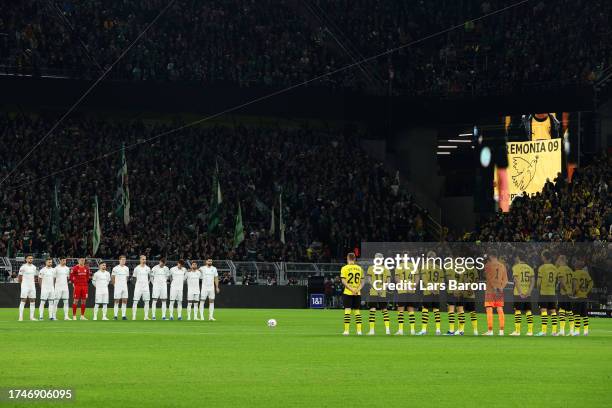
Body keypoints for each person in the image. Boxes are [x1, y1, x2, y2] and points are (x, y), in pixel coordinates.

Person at [417, 251, 444, 336]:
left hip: (428, 292)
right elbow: (442, 280)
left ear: (427, 258)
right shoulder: (439, 268)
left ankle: (424, 330)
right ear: (435, 258)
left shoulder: (425, 267)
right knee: (436, 311)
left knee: (425, 310)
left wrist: (431, 289)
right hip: (436, 292)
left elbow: (424, 280)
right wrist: (437, 288)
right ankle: (438, 330)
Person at [483, 250, 508, 336]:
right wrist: (501, 288)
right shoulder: (502, 266)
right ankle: (501, 331)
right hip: (499, 290)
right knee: (500, 309)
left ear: (490, 256)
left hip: (490, 290)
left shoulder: (488, 265)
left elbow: (489, 278)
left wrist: (494, 287)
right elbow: (506, 280)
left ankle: (490, 331)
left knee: (489, 309)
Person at [510, 254, 535, 336]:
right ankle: (530, 331)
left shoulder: (516, 267)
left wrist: (520, 292)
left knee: (517, 311)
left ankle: (517, 331)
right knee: (528, 311)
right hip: (527, 293)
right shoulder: (530, 268)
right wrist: (529, 292)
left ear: (518, 258)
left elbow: (515, 280)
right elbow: (533, 281)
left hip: (518, 293)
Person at [366, 253, 391, 335]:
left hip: (373, 291)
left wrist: (376, 288)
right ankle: (387, 330)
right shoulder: (386, 269)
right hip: (382, 292)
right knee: (384, 310)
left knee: (372, 310)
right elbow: (388, 282)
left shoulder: (371, 268)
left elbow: (369, 280)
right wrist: (382, 288)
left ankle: (372, 330)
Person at [536, 250, 559, 336]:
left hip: (544, 292)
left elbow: (538, 283)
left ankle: (544, 331)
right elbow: (556, 280)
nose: (541, 257)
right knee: (553, 311)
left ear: (545, 257)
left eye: (542, 256)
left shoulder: (542, 267)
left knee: (544, 311)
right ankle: (554, 332)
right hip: (552, 293)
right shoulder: (555, 268)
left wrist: (539, 289)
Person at [340, 252, 364, 336]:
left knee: (347, 311)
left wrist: (351, 289)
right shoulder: (360, 268)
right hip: (357, 293)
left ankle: (346, 331)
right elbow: (362, 282)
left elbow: (343, 281)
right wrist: (357, 290)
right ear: (355, 259)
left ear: (347, 258)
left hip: (348, 292)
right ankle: (359, 331)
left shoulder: (344, 268)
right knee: (357, 311)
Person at [394, 257, 419, 335]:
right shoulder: (413, 266)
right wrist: (414, 286)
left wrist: (402, 286)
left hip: (402, 290)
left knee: (400, 310)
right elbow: (417, 277)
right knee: (411, 310)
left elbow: (397, 278)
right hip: (411, 290)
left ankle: (400, 330)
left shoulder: (399, 266)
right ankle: (412, 330)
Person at [571, 258, 593, 336]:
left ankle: (577, 331)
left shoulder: (575, 273)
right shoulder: (585, 273)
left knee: (576, 314)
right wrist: (587, 291)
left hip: (577, 297)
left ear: (576, 266)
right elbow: (591, 283)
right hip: (584, 296)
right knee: (584, 315)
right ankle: (586, 331)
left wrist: (573, 294)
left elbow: (575, 284)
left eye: (575, 264)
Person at [556, 255, 574, 336]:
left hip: (563, 293)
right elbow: (573, 282)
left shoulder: (560, 269)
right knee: (570, 311)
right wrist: (572, 291)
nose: (558, 261)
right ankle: (571, 331)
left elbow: (561, 281)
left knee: (562, 311)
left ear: (561, 260)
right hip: (570, 293)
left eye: (558, 260)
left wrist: (566, 290)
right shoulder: (570, 270)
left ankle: (562, 331)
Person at [18, 255, 38, 321]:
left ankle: (31, 317)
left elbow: (35, 277)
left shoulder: (34, 267)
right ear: (26, 259)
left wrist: (32, 283)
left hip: (32, 286)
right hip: (25, 286)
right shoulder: (23, 267)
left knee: (32, 300)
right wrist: (22, 284)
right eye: (29, 258)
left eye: (31, 258)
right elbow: (20, 277)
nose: (30, 259)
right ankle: (20, 317)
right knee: (23, 300)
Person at [132, 255, 151, 320]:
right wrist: (137, 285)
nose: (144, 260)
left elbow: (150, 277)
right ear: (140, 260)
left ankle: (146, 316)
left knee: (147, 301)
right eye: (143, 259)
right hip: (138, 287)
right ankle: (134, 316)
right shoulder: (136, 268)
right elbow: (134, 278)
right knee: (135, 301)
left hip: (146, 288)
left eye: (145, 259)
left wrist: (147, 283)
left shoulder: (148, 268)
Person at [111, 255, 130, 320]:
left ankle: (123, 316)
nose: (123, 261)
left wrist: (124, 284)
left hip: (124, 287)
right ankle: (115, 316)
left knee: (125, 301)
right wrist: (115, 285)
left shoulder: (127, 268)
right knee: (116, 301)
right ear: (119, 260)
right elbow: (113, 277)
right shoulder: (115, 268)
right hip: (117, 287)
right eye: (122, 259)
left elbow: (127, 277)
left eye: (124, 260)